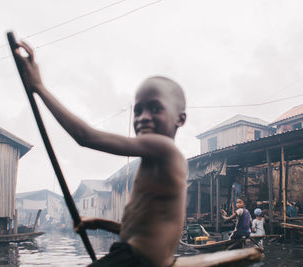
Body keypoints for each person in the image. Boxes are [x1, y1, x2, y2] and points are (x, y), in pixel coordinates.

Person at [14, 41, 187, 267]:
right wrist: (99, 223)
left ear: (180, 119)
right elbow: (136, 230)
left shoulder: (165, 148)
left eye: (155, 108)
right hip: (131, 254)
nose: (143, 116)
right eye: (138, 110)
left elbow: (85, 136)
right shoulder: (153, 165)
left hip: (138, 260)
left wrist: (39, 87)